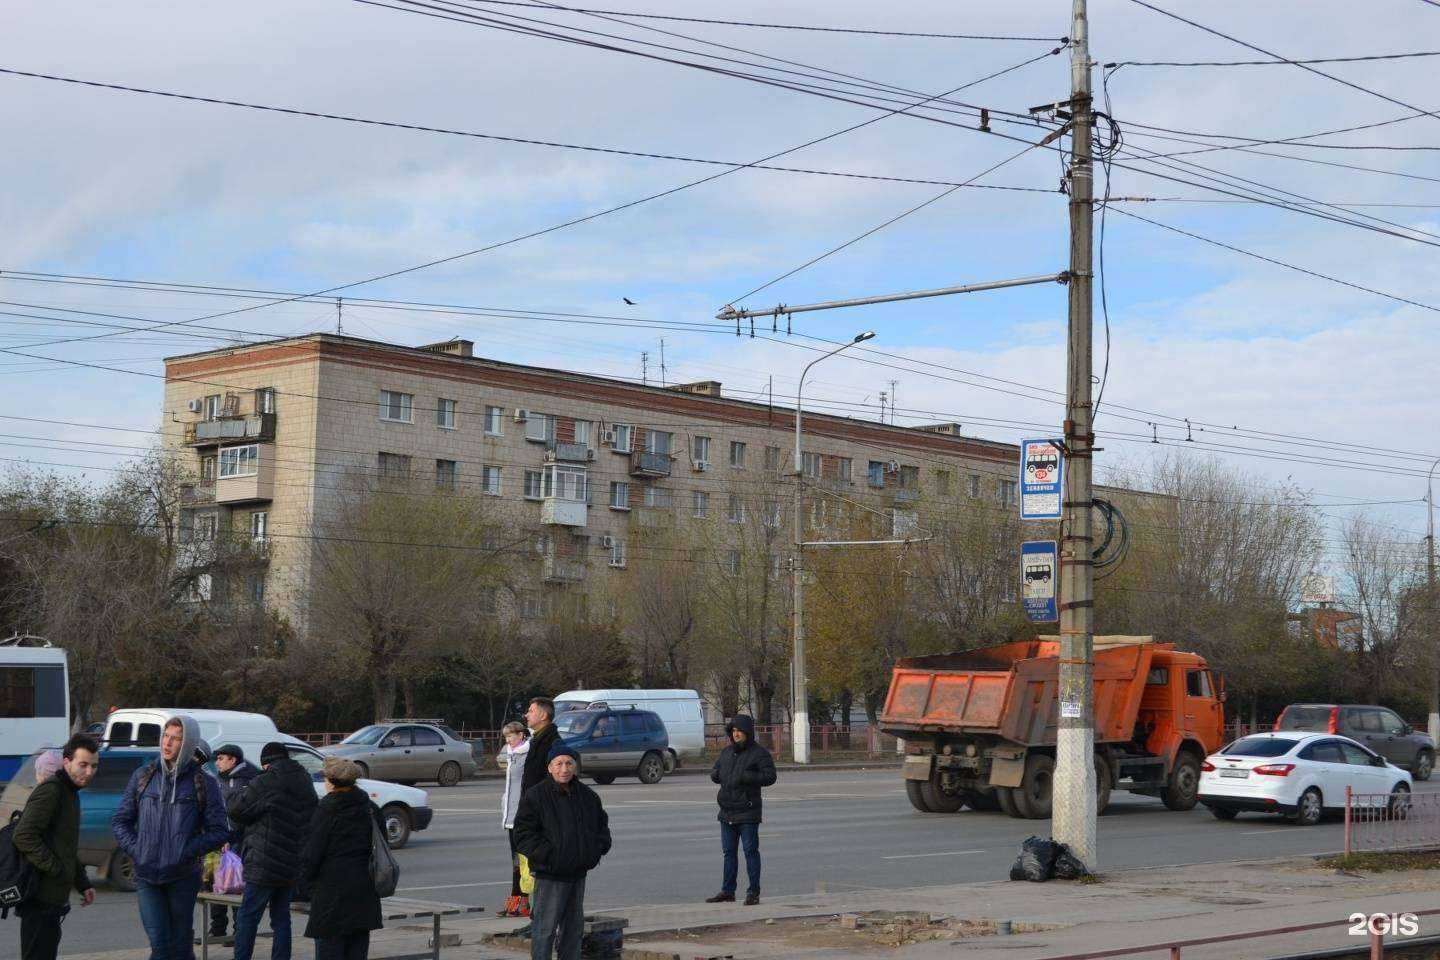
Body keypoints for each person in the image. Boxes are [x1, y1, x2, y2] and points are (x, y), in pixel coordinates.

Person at [111, 714, 229, 960]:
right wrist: (138, 849)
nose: (167, 743)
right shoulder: (143, 776)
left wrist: (184, 851)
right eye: (166, 736)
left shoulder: (204, 783)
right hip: (146, 875)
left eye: (176, 738)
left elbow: (219, 831)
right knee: (160, 944)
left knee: (179, 944)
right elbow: (120, 820)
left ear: (187, 744)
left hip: (182, 877)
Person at [513, 743, 611, 960]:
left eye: (569, 763)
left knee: (573, 931)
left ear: (575, 767)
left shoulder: (588, 796)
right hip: (550, 875)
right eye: (558, 764)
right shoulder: (536, 796)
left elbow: (601, 829)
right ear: (550, 767)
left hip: (577, 874)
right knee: (545, 930)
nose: (564, 769)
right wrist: (549, 856)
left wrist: (594, 852)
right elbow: (523, 834)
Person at [225, 742, 320, 960]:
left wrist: (235, 793)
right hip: (292, 862)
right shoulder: (304, 780)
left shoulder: (266, 781)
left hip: (264, 863)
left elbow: (237, 810)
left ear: (265, 764)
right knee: (281, 918)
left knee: (248, 917)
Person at [13, 734, 100, 960]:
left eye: (93, 766)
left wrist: (82, 883)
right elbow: (23, 835)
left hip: (52, 899)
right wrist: (56, 869)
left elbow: (65, 847)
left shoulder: (70, 792)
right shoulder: (52, 790)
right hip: (39, 898)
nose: (89, 772)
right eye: (83, 765)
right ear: (66, 762)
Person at [302, 757, 383, 960]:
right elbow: (382, 843)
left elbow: (312, 854)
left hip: (331, 892)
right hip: (364, 888)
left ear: (331, 782)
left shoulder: (327, 809)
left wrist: (306, 884)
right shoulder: (370, 808)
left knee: (330, 948)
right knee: (357, 949)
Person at [705, 715, 777, 906]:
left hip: (747, 812)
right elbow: (716, 771)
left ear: (747, 732)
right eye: (734, 731)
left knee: (750, 852)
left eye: (740, 731)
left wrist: (747, 776)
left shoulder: (759, 753)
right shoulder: (727, 752)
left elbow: (770, 776)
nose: (736, 734)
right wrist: (716, 774)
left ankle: (753, 892)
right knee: (728, 853)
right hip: (727, 811)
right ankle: (728, 891)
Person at [208, 744, 260, 939]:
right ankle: (217, 928)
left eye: (221, 758)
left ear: (233, 760)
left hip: (237, 842)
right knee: (216, 885)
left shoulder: (246, 781)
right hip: (218, 840)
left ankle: (239, 932)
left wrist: (229, 836)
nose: (217, 762)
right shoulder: (219, 779)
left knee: (236, 885)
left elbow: (240, 814)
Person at [496, 721, 531, 918]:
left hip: (522, 816)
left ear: (520, 734)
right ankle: (514, 904)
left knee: (524, 864)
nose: (507, 740)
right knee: (516, 863)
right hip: (511, 816)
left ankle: (523, 904)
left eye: (510, 736)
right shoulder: (512, 754)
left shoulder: (526, 754)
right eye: (506, 737)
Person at [520, 698, 560, 797]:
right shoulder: (537, 740)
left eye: (531, 711)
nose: (526, 715)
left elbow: (555, 781)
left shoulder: (553, 743)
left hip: (542, 802)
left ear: (543, 716)